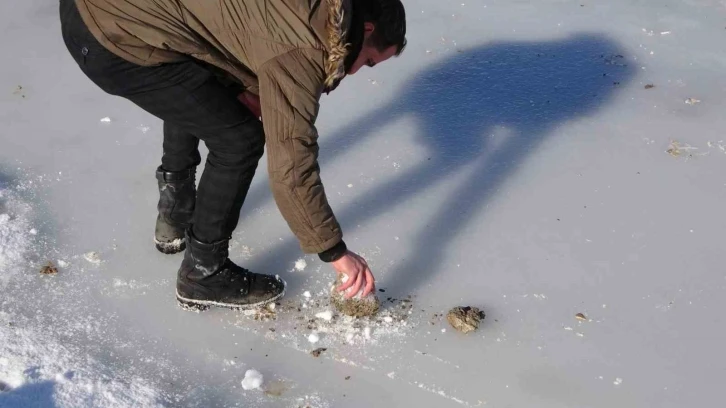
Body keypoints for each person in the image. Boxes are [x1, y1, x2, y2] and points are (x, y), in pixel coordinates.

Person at [58, 0, 407, 310]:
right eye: (370, 61)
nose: (357, 70)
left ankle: (175, 215)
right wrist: (334, 251)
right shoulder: (307, 46)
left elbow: (242, 25)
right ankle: (204, 273)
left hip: (93, 10)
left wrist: (247, 86)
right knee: (238, 140)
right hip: (114, 40)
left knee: (204, 92)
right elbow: (291, 167)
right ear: (366, 29)